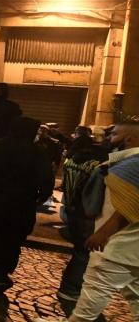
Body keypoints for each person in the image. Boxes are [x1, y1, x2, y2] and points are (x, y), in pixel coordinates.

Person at [34, 152, 139, 322]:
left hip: (122, 244)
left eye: (116, 131)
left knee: (97, 285)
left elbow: (131, 204)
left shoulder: (134, 162)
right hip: (132, 247)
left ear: (131, 135)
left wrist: (104, 232)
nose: (110, 136)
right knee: (136, 292)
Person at [0, 116, 54, 291]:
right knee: (14, 238)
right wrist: (42, 196)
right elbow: (46, 179)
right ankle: (2, 273)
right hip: (22, 203)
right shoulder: (37, 152)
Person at [57, 123, 132, 301]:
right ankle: (71, 288)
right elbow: (97, 193)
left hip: (73, 211)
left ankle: (72, 287)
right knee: (84, 254)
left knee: (81, 252)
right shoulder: (104, 164)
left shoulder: (79, 158)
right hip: (88, 216)